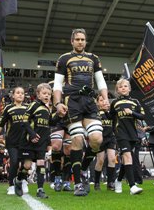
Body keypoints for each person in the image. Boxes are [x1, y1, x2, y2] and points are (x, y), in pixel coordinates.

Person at [53, 28, 109, 196]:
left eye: (83, 39)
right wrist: (57, 103)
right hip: (72, 101)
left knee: (97, 139)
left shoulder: (94, 58)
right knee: (77, 140)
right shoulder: (64, 58)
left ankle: (83, 169)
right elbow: (57, 84)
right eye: (77, 39)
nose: (80, 42)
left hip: (90, 101)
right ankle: (77, 184)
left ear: (86, 41)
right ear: (72, 41)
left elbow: (100, 81)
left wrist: (105, 98)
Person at [14, 83, 59, 199]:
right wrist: (32, 134)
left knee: (41, 164)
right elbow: (24, 120)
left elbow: (50, 124)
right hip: (28, 142)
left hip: (41, 143)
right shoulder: (34, 105)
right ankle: (18, 180)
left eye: (49, 94)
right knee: (27, 166)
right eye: (44, 93)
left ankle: (40, 189)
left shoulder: (48, 109)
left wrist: (59, 115)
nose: (47, 96)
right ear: (38, 95)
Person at [110, 78, 144, 195]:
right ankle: (132, 186)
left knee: (126, 160)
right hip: (121, 133)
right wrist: (104, 110)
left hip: (133, 135)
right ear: (117, 90)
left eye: (125, 86)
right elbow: (111, 118)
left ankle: (118, 180)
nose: (123, 88)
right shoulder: (114, 103)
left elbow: (142, 116)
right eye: (120, 87)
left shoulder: (135, 102)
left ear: (129, 88)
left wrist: (132, 112)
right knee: (128, 157)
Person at [0, 87, 28, 195]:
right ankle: (11, 185)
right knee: (15, 161)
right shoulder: (8, 108)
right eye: (18, 93)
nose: (20, 95)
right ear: (13, 95)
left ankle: (22, 180)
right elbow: (0, 124)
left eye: (22, 93)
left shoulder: (28, 108)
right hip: (12, 141)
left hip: (25, 141)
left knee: (25, 163)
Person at [94, 94, 117, 191]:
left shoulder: (111, 114)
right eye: (101, 100)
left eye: (105, 100)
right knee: (100, 161)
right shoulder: (95, 114)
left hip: (111, 138)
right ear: (97, 102)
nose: (104, 102)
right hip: (100, 138)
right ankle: (96, 182)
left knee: (112, 159)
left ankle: (110, 182)